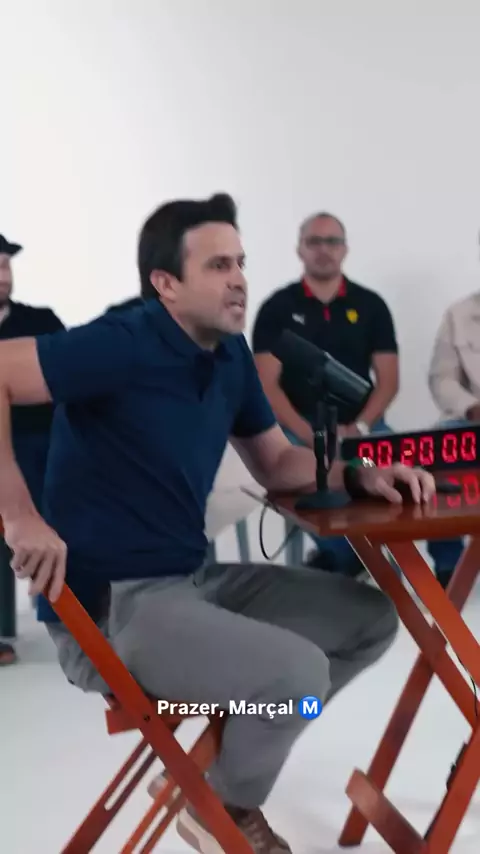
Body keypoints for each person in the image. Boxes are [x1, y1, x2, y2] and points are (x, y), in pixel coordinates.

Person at [0, 194, 435, 853]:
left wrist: (358, 472)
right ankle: (223, 807)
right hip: (113, 610)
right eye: (218, 265)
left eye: (241, 262)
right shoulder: (121, 342)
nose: (238, 279)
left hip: (190, 581)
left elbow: (277, 462)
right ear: (166, 283)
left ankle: (216, 779)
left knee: (369, 621)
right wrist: (19, 515)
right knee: (296, 678)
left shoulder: (230, 355)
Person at [252, 213, 399, 576]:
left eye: (332, 241)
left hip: (361, 430)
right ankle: (350, 559)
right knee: (297, 474)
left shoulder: (371, 305)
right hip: (297, 430)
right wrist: (309, 434)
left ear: (344, 249)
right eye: (314, 242)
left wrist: (360, 428)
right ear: (299, 250)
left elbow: (388, 381)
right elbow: (266, 385)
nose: (324, 250)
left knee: (393, 471)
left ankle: (377, 559)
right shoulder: (277, 308)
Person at [0, 234, 64, 665]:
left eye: (5, 266)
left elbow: (69, 387)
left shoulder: (40, 321)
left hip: (40, 447)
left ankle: (69, 615)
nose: (2, 275)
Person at [425, 293, 478, 585]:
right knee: (437, 446)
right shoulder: (458, 314)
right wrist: (472, 407)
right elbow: (441, 378)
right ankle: (449, 565)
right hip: (472, 421)